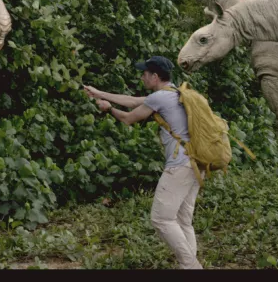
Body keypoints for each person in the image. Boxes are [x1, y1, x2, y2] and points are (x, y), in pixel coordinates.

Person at [84, 55, 204, 269]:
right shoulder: (176, 93)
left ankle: (192, 267)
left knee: (161, 219)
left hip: (180, 165)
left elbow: (128, 118)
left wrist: (108, 109)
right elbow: (131, 100)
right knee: (183, 220)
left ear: (155, 76)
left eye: (144, 74)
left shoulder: (160, 98)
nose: (141, 77)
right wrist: (99, 93)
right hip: (197, 163)